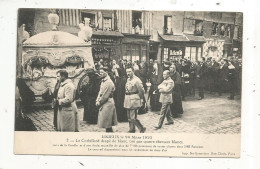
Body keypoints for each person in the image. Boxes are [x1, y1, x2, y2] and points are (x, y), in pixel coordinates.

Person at [124, 66, 146, 133]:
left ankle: (141, 128)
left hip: (134, 99)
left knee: (133, 117)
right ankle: (131, 129)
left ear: (133, 71)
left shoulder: (137, 80)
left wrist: (141, 99)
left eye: (130, 71)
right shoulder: (128, 79)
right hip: (127, 99)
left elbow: (142, 91)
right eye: (127, 71)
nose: (128, 73)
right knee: (129, 117)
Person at [96, 67, 118, 132]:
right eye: (100, 73)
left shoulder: (108, 82)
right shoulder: (103, 81)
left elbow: (105, 95)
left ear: (107, 72)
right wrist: (97, 100)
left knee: (108, 123)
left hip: (108, 103)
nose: (101, 74)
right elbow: (100, 92)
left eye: (102, 72)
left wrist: (99, 102)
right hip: (105, 103)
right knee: (107, 124)